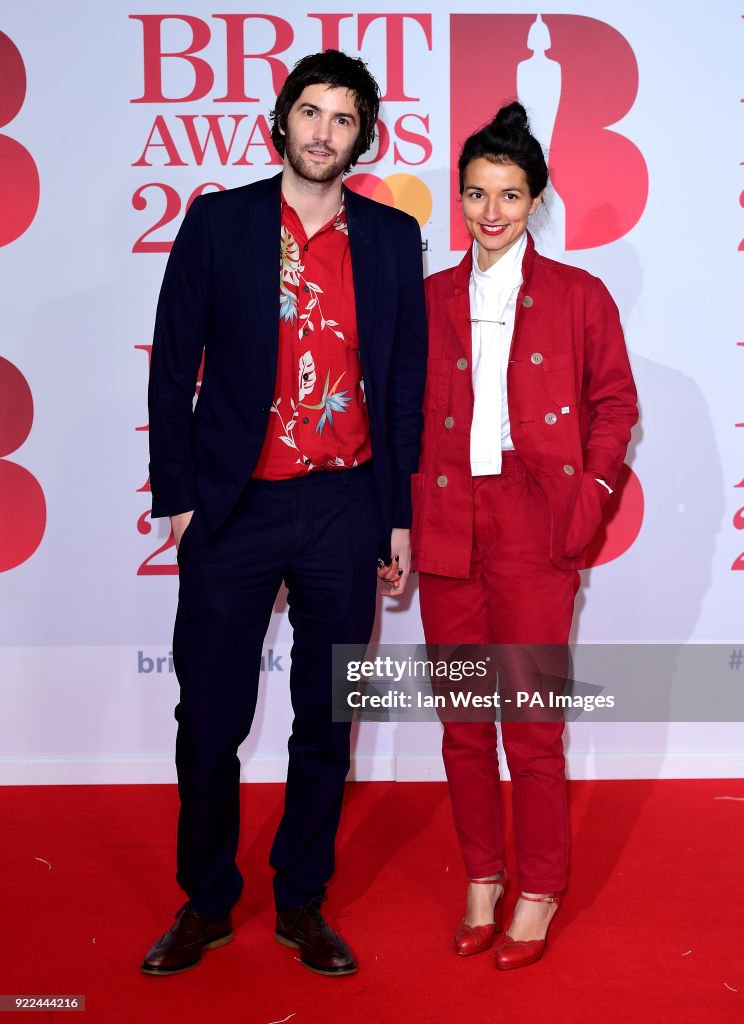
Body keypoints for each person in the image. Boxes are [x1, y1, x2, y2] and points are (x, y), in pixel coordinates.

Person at [141, 49, 427, 978]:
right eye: (310, 112)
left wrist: (397, 515)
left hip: (347, 505)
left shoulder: (389, 239)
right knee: (209, 717)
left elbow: (402, 385)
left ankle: (302, 899)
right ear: (283, 118)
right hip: (234, 508)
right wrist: (178, 496)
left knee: (326, 720)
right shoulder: (220, 222)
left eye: (343, 120)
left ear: (360, 136)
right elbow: (171, 360)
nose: (322, 133)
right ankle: (207, 901)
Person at [411, 102, 637, 969]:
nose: (491, 212)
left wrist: (592, 493)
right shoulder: (428, 299)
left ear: (536, 199)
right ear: (460, 199)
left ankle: (538, 886)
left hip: (535, 517)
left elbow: (615, 404)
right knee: (463, 718)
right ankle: (481, 876)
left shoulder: (580, 296)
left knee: (531, 722)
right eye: (475, 194)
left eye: (509, 194)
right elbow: (401, 415)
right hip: (445, 515)